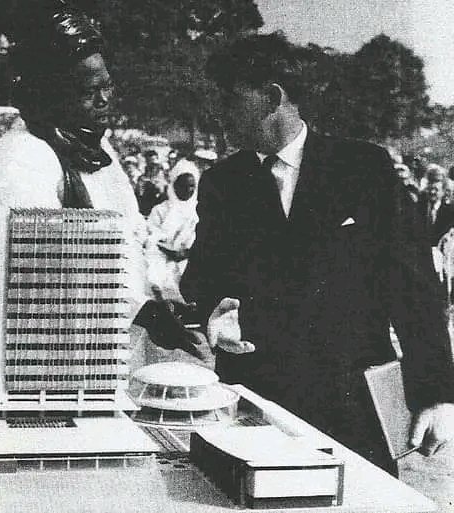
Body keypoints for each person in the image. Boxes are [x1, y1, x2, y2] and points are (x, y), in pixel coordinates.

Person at [179, 33, 454, 474]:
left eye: (228, 98)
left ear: (271, 98)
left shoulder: (363, 169)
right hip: (257, 404)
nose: (217, 112)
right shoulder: (222, 184)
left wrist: (437, 394)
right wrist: (215, 313)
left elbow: (412, 286)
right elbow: (201, 276)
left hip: (352, 408)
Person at [0, 3, 203, 361]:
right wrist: (143, 312)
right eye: (89, 90)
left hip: (101, 348)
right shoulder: (21, 159)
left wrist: (166, 295)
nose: (104, 99)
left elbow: (134, 237)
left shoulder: (96, 150)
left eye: (107, 86)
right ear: (50, 94)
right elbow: (45, 273)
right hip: (33, 360)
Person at [145, 169, 199, 302]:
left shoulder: (199, 209)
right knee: (156, 276)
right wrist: (168, 250)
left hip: (189, 256)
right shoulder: (160, 209)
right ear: (175, 187)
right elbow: (152, 235)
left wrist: (186, 252)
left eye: (192, 186)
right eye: (184, 186)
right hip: (161, 255)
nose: (188, 190)